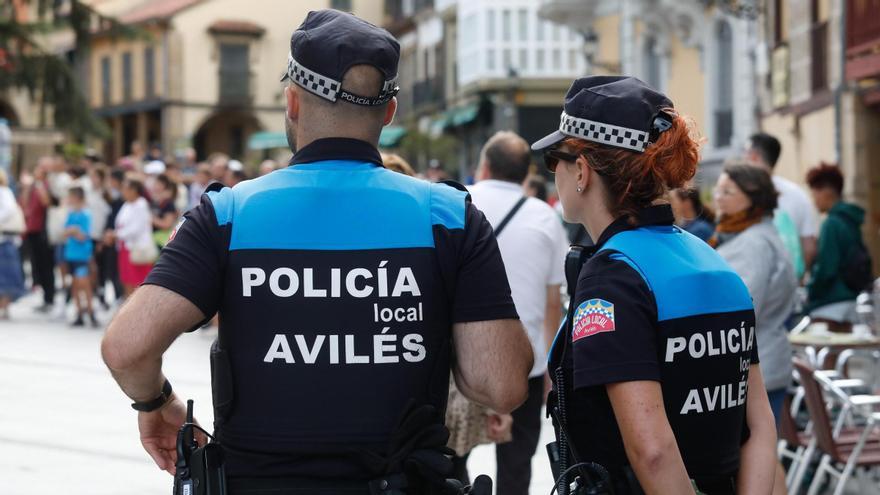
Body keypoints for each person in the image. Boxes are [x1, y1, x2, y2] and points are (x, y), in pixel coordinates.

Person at [101, 10, 533, 495]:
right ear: (388, 113)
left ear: (293, 101)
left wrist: (156, 402)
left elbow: (126, 348)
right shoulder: (448, 217)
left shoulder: (229, 216)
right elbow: (501, 385)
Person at [532, 76, 777, 494]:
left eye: (555, 157)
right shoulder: (713, 260)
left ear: (582, 171)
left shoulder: (613, 278)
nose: (552, 170)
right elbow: (760, 427)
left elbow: (653, 452)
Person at [470, 131, 569, 495]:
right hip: (524, 360)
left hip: (460, 356)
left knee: (450, 457)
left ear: (484, 166)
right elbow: (552, 303)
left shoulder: (458, 203)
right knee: (516, 463)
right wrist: (550, 369)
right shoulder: (544, 217)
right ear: (524, 174)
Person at [711, 163, 797, 495]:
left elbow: (741, 309)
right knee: (766, 452)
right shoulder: (751, 234)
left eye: (728, 191)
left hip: (757, 363)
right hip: (766, 358)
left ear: (753, 198)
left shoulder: (754, 242)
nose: (718, 197)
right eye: (719, 189)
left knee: (759, 456)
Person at [746, 133, 818, 278]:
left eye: (745, 153)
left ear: (754, 156)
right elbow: (809, 246)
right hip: (789, 286)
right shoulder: (798, 195)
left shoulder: (742, 194)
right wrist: (797, 280)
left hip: (750, 283)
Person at [805, 163, 868, 327]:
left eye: (815, 194)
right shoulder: (851, 220)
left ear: (827, 191)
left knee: (823, 351)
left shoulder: (831, 223)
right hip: (850, 300)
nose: (814, 201)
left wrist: (810, 291)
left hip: (830, 305)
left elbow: (826, 268)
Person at [19, 158, 55, 312]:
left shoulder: (45, 186)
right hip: (31, 230)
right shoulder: (32, 186)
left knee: (46, 266)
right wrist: (27, 187)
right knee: (37, 266)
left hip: (42, 231)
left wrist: (39, 184)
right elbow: (25, 204)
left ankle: (50, 298)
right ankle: (45, 297)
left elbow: (46, 202)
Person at [111, 177, 154, 297]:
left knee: (138, 281)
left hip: (137, 248)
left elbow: (136, 228)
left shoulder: (141, 204)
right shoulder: (126, 204)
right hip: (125, 247)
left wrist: (116, 234)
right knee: (126, 280)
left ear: (134, 190)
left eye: (125, 188)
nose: (122, 191)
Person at [63, 187, 98, 327]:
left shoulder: (85, 215)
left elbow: (85, 236)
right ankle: (79, 312)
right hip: (71, 254)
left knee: (84, 284)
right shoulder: (71, 214)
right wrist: (71, 231)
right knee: (75, 285)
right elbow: (64, 232)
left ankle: (91, 311)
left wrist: (74, 231)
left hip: (82, 254)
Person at [0, 169, 25, 319]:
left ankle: (5, 306)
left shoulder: (4, 192)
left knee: (6, 275)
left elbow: (8, 210)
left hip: (5, 239)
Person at [150, 173, 179, 249]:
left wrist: (151, 219)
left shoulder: (168, 203)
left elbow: (167, 224)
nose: (155, 186)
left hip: (162, 242)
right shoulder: (154, 201)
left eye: (158, 183)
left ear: (164, 186)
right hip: (153, 241)